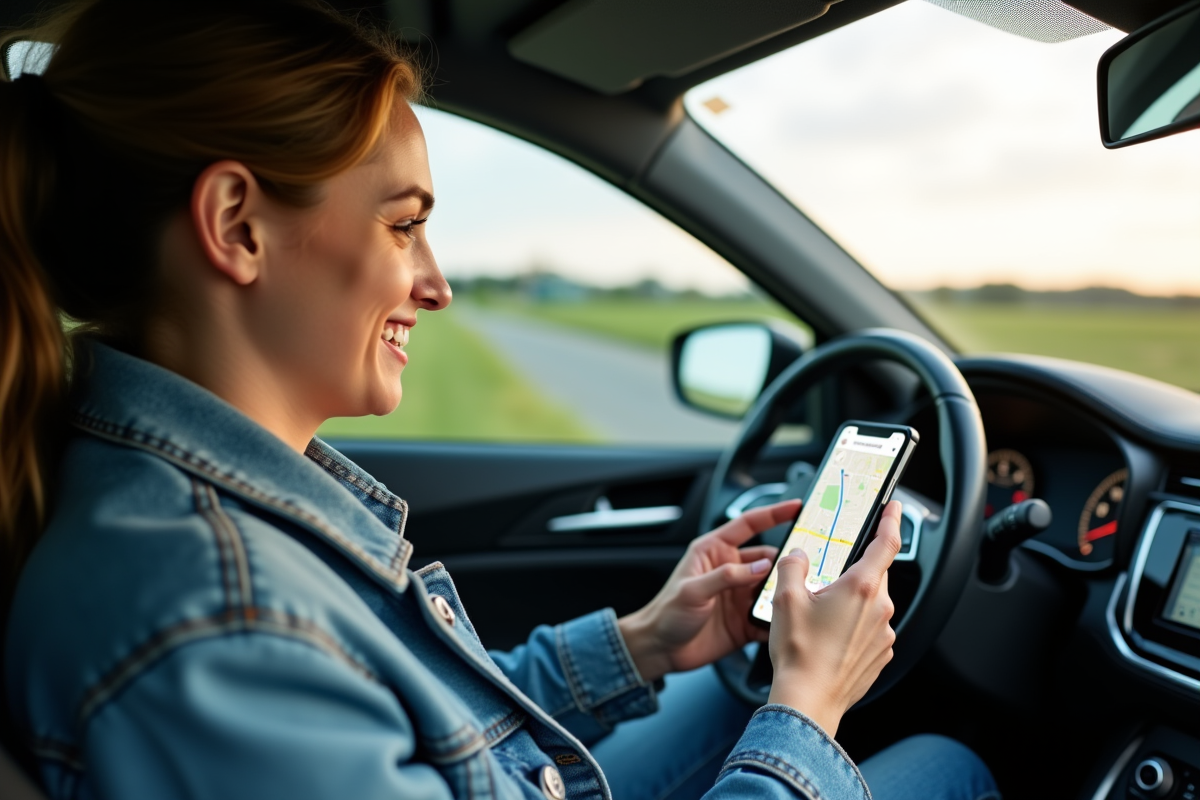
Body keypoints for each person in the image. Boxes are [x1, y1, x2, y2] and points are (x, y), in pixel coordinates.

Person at [0, 1, 1000, 798]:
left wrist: (649, 638)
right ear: (237, 226)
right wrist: (809, 706)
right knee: (948, 768)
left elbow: (417, 722)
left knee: (712, 694)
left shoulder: (192, 502)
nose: (436, 283)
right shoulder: (219, 621)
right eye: (403, 226)